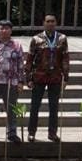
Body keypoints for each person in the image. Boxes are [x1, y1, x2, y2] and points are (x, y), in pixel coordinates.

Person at [25, 14, 70, 142]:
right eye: (48, 21)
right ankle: (31, 132)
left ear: (56, 23)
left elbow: (65, 58)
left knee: (54, 107)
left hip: (55, 76)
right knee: (35, 106)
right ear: (43, 23)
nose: (50, 23)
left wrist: (66, 77)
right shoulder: (36, 39)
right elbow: (29, 59)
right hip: (39, 76)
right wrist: (28, 78)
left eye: (53, 21)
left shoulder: (62, 38)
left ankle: (52, 133)